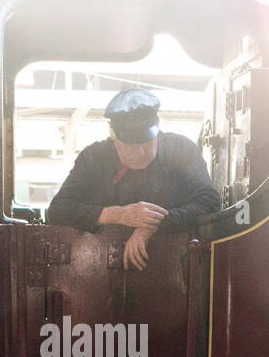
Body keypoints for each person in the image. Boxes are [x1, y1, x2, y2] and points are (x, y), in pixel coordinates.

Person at [46, 88, 221, 270]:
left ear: (157, 130)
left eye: (147, 144)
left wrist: (153, 225)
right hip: (99, 268)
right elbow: (58, 210)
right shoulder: (92, 157)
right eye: (130, 146)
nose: (140, 153)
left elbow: (210, 201)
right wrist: (119, 214)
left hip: (174, 266)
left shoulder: (181, 150)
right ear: (113, 134)